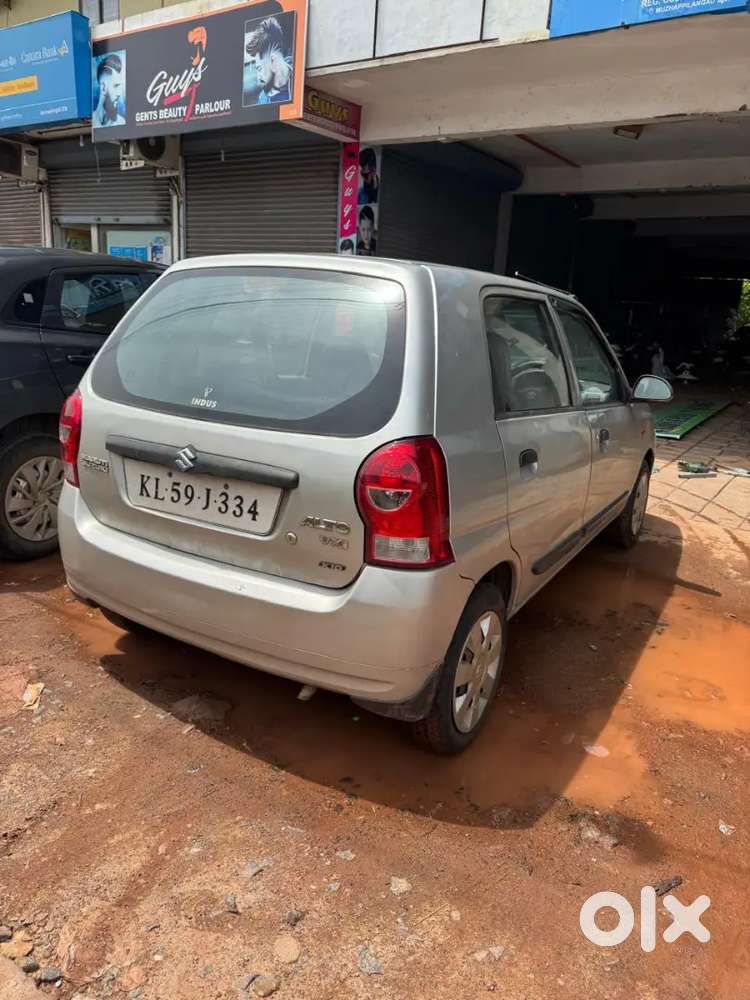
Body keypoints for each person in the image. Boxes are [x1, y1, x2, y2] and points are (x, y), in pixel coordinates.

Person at [245, 17, 292, 104]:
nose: (258, 78)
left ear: (273, 61)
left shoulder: (297, 84)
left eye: (259, 68)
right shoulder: (263, 97)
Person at [94, 54, 125, 128]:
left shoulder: (121, 122)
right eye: (116, 86)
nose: (119, 93)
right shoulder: (92, 123)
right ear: (103, 87)